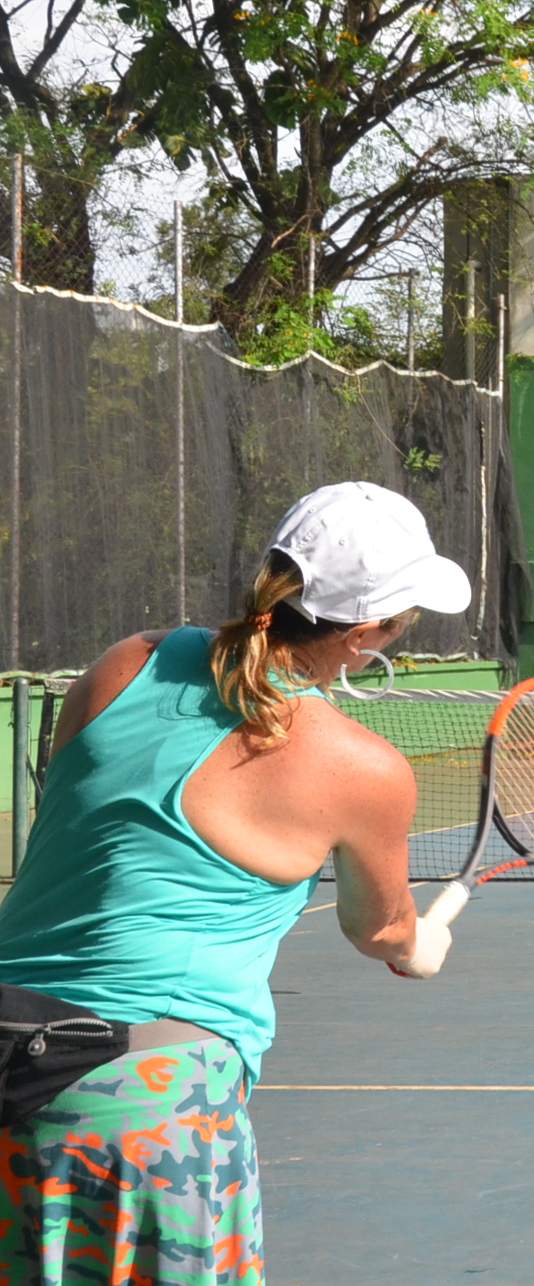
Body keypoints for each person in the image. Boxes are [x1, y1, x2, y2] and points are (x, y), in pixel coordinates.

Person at [0, 482, 468, 1284]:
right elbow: (381, 931)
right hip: (142, 1111)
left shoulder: (128, 661)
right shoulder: (363, 769)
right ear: (365, 637)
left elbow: (81, 835)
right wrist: (421, 947)